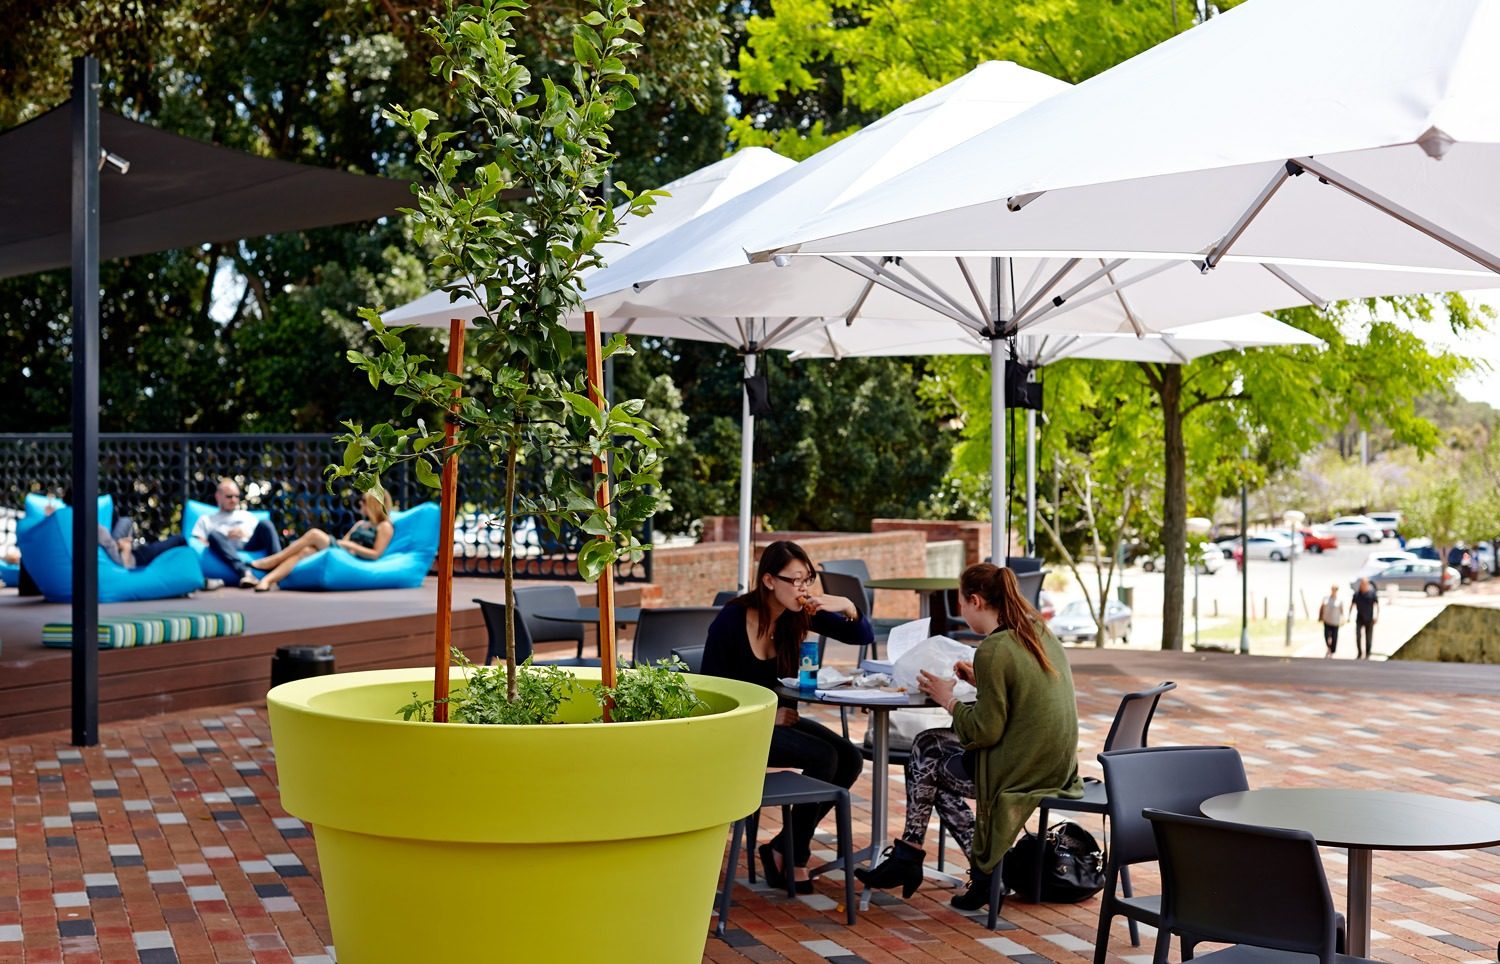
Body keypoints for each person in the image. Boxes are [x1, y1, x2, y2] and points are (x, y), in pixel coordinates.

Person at [855, 563, 1083, 910]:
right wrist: (980, 681)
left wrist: (946, 698)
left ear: (975, 601)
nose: (961, 611)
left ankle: (929, 859)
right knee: (929, 763)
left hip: (1023, 769)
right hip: (1054, 761)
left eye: (961, 604)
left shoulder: (995, 648)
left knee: (926, 753)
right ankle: (965, 869)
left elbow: (985, 730)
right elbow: (1018, 698)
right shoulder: (1036, 631)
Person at [700, 540, 871, 894]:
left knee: (850, 758)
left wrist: (847, 605)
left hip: (776, 720)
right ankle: (794, 854)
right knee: (824, 757)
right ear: (768, 581)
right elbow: (713, 694)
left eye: (807, 580)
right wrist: (767, 715)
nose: (803, 589)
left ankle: (783, 846)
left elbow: (862, 635)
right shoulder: (732, 620)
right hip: (739, 727)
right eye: (794, 580)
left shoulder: (798, 612)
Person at [247, 489, 394, 592]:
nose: (360, 504)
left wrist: (350, 545)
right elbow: (344, 541)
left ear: (374, 504)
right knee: (305, 551)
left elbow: (376, 553)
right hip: (343, 552)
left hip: (354, 557)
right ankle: (266, 581)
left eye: (363, 501)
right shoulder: (361, 524)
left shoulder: (384, 527)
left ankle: (273, 560)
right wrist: (346, 544)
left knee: (314, 534)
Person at [190, 479, 283, 588]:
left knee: (266, 524)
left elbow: (262, 537)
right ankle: (245, 572)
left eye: (237, 496)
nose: (234, 500)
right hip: (224, 548)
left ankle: (280, 569)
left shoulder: (246, 516)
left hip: (248, 545)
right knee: (214, 535)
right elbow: (197, 542)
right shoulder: (206, 519)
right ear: (218, 496)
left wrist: (245, 534)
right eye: (229, 496)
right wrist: (225, 537)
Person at [1351, 577, 1379, 659]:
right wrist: (1349, 616)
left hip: (1369, 618)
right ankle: (1359, 653)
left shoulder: (1372, 594)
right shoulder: (1357, 594)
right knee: (1358, 635)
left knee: (1368, 637)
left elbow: (1377, 605)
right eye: (1362, 584)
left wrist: (1376, 616)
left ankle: (1368, 653)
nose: (1363, 586)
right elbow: (1352, 604)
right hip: (1359, 618)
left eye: (1364, 584)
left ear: (1367, 585)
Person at [1320, 583, 1345, 658]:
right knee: (1326, 636)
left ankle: (1332, 650)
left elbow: (1342, 611)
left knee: (1334, 637)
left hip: (1335, 622)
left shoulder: (1339, 600)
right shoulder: (1326, 598)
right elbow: (1321, 608)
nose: (1334, 591)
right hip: (1327, 620)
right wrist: (1320, 616)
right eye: (1333, 589)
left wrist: (1343, 619)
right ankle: (1328, 648)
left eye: (1335, 590)